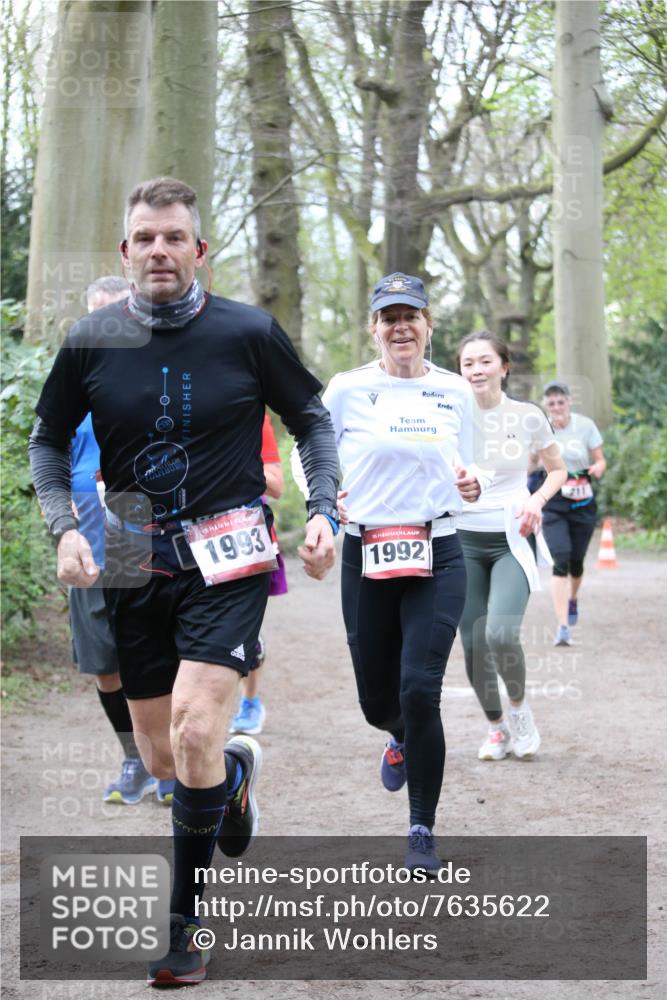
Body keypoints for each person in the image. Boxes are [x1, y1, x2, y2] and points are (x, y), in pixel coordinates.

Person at [29, 176, 339, 987]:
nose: (159, 250)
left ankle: (185, 926)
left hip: (229, 547)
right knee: (168, 760)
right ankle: (233, 781)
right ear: (124, 252)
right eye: (145, 238)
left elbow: (310, 417)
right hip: (133, 545)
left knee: (198, 730)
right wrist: (65, 529)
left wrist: (325, 510)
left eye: (174, 237)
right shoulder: (94, 337)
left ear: (199, 251)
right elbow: (49, 443)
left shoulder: (247, 331)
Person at [318, 271, 482, 875]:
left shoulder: (454, 391)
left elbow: (473, 463)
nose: (400, 327)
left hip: (436, 551)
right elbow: (313, 450)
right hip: (367, 553)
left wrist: (474, 481)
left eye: (410, 316)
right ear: (375, 329)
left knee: (420, 689)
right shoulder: (347, 389)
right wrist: (323, 496)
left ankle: (421, 828)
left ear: (428, 325)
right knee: (377, 699)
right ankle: (398, 736)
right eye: (389, 318)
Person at [68, 276, 169, 804]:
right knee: (104, 664)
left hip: (140, 535)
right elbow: (51, 459)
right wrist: (63, 532)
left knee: (151, 655)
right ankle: (135, 759)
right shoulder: (71, 382)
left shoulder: (157, 378)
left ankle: (169, 764)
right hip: (86, 541)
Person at [456, 333, 567, 761]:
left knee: (500, 633)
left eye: (485, 361)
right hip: (461, 541)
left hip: (509, 540)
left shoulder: (526, 415)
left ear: (504, 366)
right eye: (468, 364)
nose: (476, 370)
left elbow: (557, 470)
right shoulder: (449, 416)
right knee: (473, 643)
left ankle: (520, 711)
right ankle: (496, 728)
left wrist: (536, 500)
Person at [530, 381, 606, 646]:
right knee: (560, 559)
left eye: (561, 402)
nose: (557, 407)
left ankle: (573, 599)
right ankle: (563, 627)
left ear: (569, 402)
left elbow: (600, 459)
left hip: (582, 501)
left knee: (576, 561)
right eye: (551, 403)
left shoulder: (585, 426)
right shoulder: (540, 430)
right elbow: (528, 466)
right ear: (545, 406)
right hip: (553, 501)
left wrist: (597, 467)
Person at [229, 412, 287, 735]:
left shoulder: (254, 417)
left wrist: (227, 461)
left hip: (242, 535)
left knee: (241, 633)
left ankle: (250, 701)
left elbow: (276, 485)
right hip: (182, 537)